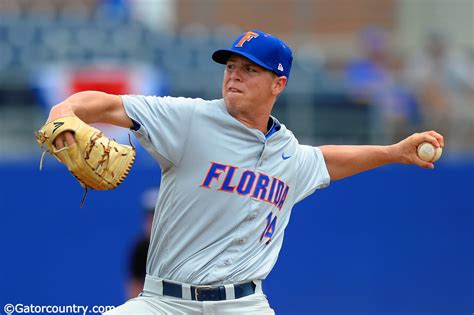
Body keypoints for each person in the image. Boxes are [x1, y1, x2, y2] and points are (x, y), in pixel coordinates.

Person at [44, 29, 444, 314]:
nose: (234, 74)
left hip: (243, 304)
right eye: (231, 65)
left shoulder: (288, 153)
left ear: (279, 83)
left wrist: (393, 152)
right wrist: (65, 111)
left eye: (250, 69)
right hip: (163, 303)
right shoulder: (189, 119)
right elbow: (108, 104)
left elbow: (324, 161)